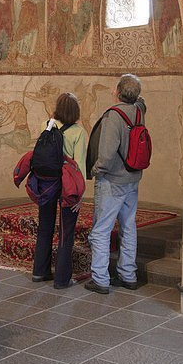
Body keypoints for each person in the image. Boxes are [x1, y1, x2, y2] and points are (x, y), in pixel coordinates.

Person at [85, 74, 146, 294]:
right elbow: (140, 98)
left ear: (117, 92)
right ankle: (128, 275)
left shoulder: (114, 115)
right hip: (133, 178)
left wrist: (96, 170)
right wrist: (128, 92)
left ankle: (101, 279)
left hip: (113, 180)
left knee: (100, 231)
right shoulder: (139, 109)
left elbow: (108, 153)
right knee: (128, 227)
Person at [32, 92, 86, 289]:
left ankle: (39, 272)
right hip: (67, 185)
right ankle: (62, 279)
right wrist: (80, 194)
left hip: (46, 183)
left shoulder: (46, 125)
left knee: (44, 228)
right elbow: (79, 165)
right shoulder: (78, 132)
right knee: (66, 232)